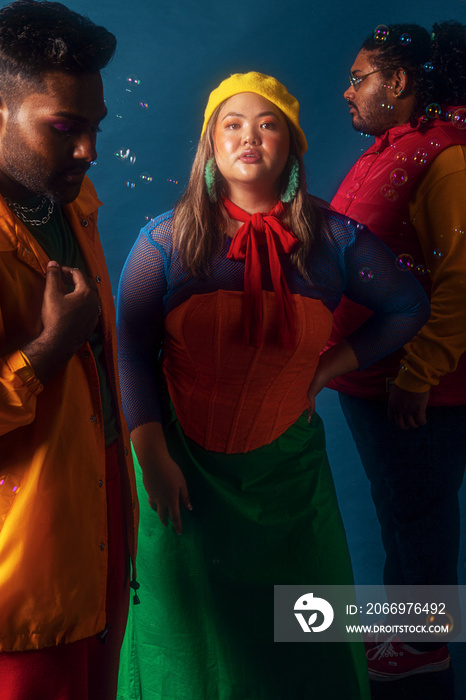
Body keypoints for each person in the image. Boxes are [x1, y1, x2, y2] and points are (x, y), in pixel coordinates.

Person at [116, 71, 429, 699]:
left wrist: (329, 367)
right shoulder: (163, 240)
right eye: (231, 124)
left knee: (306, 629)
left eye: (268, 124)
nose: (249, 136)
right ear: (211, 144)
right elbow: (131, 350)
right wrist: (151, 455)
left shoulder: (335, 241)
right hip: (180, 471)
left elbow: (407, 306)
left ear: (291, 146)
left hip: (288, 477)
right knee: (185, 635)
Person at [0, 2, 138, 699]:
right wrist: (49, 347)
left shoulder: (69, 200)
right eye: (64, 128)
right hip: (22, 556)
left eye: (94, 128)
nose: (88, 151)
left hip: (104, 495)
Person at [327, 21, 466, 681]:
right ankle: (406, 640)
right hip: (370, 380)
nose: (346, 91)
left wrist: (419, 375)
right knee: (397, 507)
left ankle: (423, 650)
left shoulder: (447, 156)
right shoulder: (391, 148)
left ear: (400, 82)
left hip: (413, 390)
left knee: (420, 509)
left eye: (359, 78)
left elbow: (460, 278)